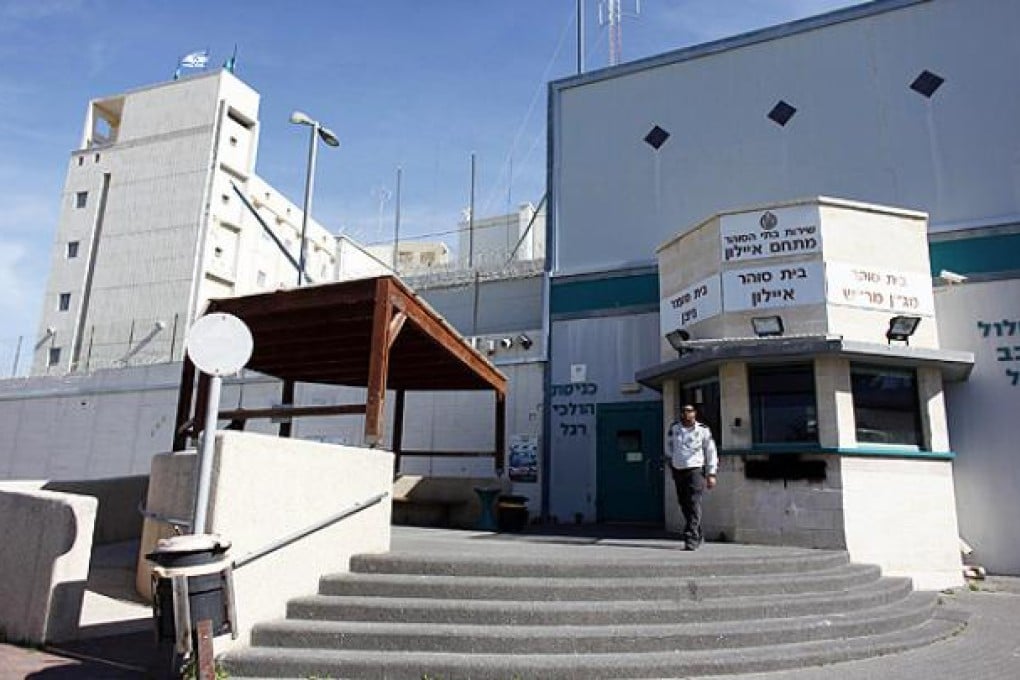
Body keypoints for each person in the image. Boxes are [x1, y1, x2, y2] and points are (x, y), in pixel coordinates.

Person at [666, 403, 718, 551]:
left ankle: (691, 537)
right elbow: (668, 446)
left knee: (693, 502)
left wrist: (711, 473)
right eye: (683, 411)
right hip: (678, 469)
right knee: (684, 503)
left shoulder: (703, 430)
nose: (686, 414)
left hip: (695, 469)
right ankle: (698, 532)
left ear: (695, 413)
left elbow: (710, 451)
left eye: (689, 411)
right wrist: (671, 460)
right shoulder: (674, 428)